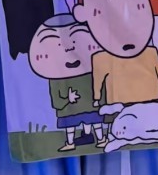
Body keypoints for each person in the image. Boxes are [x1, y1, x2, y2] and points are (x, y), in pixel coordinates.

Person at [72, 0, 158, 142]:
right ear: (83, 14)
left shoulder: (151, 52)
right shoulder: (100, 58)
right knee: (120, 135)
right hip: (118, 105)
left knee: (154, 132)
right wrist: (96, 98)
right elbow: (98, 81)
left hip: (151, 100)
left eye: (138, 6)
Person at [28, 13, 105, 151]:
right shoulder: (55, 79)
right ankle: (72, 142)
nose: (69, 49)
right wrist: (66, 99)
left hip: (90, 107)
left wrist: (99, 100)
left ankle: (99, 138)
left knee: (93, 120)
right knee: (72, 124)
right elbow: (56, 99)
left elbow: (99, 87)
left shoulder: (92, 73)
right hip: (70, 110)